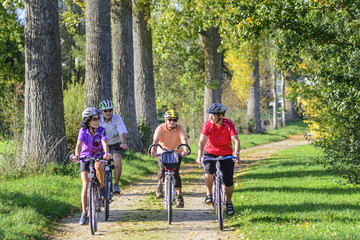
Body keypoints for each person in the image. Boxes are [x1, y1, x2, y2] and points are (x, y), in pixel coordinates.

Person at [196, 103, 240, 216]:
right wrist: (199, 155)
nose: (210, 117)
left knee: (228, 180)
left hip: (226, 154)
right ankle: (209, 194)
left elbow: (236, 140)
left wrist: (237, 154)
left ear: (220, 116)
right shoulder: (207, 125)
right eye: (210, 115)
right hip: (210, 153)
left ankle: (229, 202)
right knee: (208, 173)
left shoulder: (228, 124)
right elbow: (201, 142)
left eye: (213, 115)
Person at [72, 107, 112, 225]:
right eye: (95, 118)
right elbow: (78, 145)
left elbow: (104, 143)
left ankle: (102, 187)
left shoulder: (101, 130)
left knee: (99, 166)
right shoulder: (83, 131)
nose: (98, 120)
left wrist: (107, 154)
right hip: (85, 156)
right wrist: (76, 155)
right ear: (87, 120)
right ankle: (84, 213)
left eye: (99, 118)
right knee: (85, 184)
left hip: (99, 155)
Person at [150, 109, 189, 208]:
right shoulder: (160, 128)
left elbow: (183, 138)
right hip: (162, 152)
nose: (172, 122)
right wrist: (153, 150)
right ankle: (159, 186)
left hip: (176, 152)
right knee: (162, 169)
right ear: (165, 120)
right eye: (169, 119)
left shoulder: (179, 129)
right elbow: (156, 139)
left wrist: (185, 149)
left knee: (176, 173)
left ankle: (179, 197)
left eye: (174, 120)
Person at [99, 100, 128, 195]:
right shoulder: (97, 119)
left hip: (114, 145)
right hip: (101, 146)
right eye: (105, 111)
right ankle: (100, 186)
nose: (108, 113)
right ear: (102, 112)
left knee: (117, 160)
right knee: (98, 164)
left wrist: (123, 143)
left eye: (110, 110)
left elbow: (121, 131)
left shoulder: (117, 118)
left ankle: (116, 184)